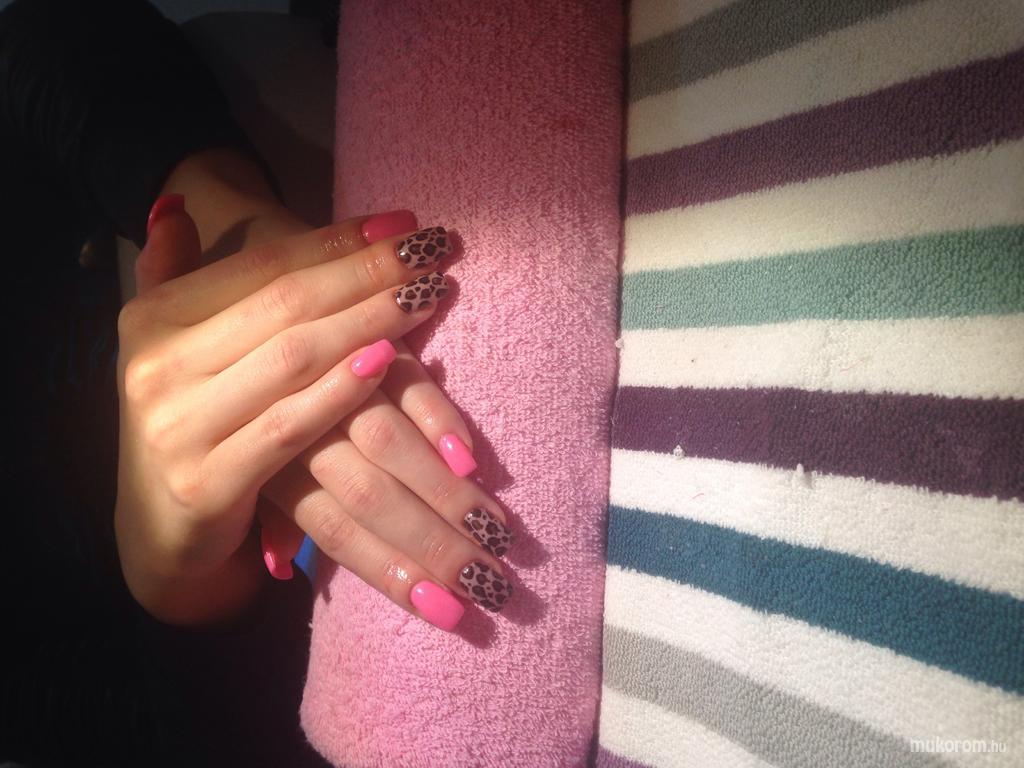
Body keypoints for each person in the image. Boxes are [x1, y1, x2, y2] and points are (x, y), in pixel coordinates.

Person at [0, 0, 514, 764]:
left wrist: (235, 242)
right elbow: (180, 741)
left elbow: (39, 44)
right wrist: (175, 579)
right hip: (264, 603)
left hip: (232, 197)